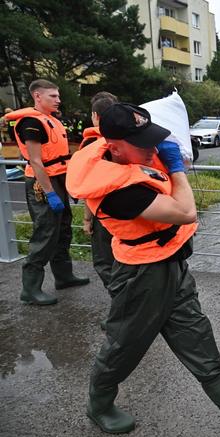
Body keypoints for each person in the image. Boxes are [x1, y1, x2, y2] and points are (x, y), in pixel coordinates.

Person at [65, 103, 220, 434]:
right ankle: (99, 403)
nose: (151, 148)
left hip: (170, 261)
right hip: (140, 275)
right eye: (143, 143)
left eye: (153, 139)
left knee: (195, 329)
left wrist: (169, 156)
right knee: (124, 344)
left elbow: (150, 169)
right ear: (116, 147)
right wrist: (176, 168)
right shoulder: (118, 191)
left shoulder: (124, 157)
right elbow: (186, 211)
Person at [4, 79, 89, 306]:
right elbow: (36, 162)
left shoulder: (51, 120)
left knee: (63, 229)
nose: (58, 100)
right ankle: (30, 290)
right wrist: (50, 193)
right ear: (37, 97)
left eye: (58, 96)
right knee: (45, 232)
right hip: (43, 183)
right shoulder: (31, 123)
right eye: (53, 96)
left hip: (59, 179)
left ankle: (63, 276)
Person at [79, 92, 119, 290]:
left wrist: (87, 219)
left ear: (95, 116)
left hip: (103, 211)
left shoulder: (92, 145)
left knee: (105, 262)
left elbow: (89, 187)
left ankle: (125, 309)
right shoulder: (128, 137)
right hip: (133, 208)